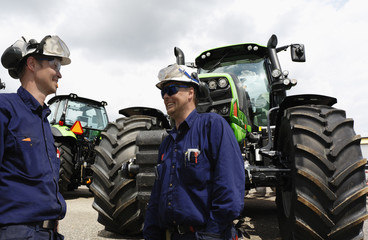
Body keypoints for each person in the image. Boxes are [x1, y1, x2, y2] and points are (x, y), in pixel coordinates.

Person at [143, 64, 245, 240]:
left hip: (205, 235)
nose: (166, 96)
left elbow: (229, 191)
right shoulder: (167, 143)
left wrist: (211, 234)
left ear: (191, 93)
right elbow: (156, 197)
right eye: (163, 92)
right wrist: (151, 234)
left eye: (171, 89)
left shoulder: (213, 126)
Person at [0, 35, 71, 239]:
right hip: (17, 232)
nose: (59, 74)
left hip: (47, 232)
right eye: (55, 65)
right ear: (32, 63)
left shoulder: (44, 122)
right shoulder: (6, 109)